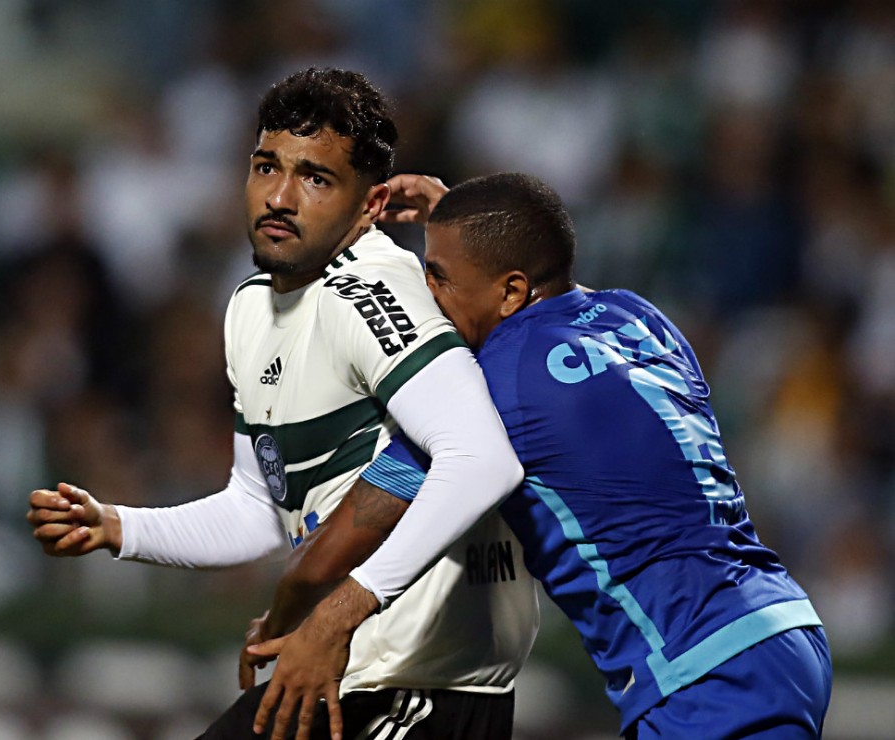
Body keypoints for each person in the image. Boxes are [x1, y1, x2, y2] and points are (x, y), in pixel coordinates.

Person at [26, 69, 539, 738]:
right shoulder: (251, 308)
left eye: (316, 178)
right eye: (267, 167)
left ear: (371, 203)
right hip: (349, 681)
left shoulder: (373, 294)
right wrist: (120, 527)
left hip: (417, 693)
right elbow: (260, 509)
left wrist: (337, 613)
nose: (279, 197)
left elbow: (482, 460)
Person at [249, 173, 832, 740]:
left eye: (440, 276)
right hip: (783, 627)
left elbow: (330, 554)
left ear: (510, 290)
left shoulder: (491, 386)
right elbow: (548, 306)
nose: (428, 296)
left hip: (702, 670)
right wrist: (472, 229)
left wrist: (280, 623)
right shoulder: (638, 316)